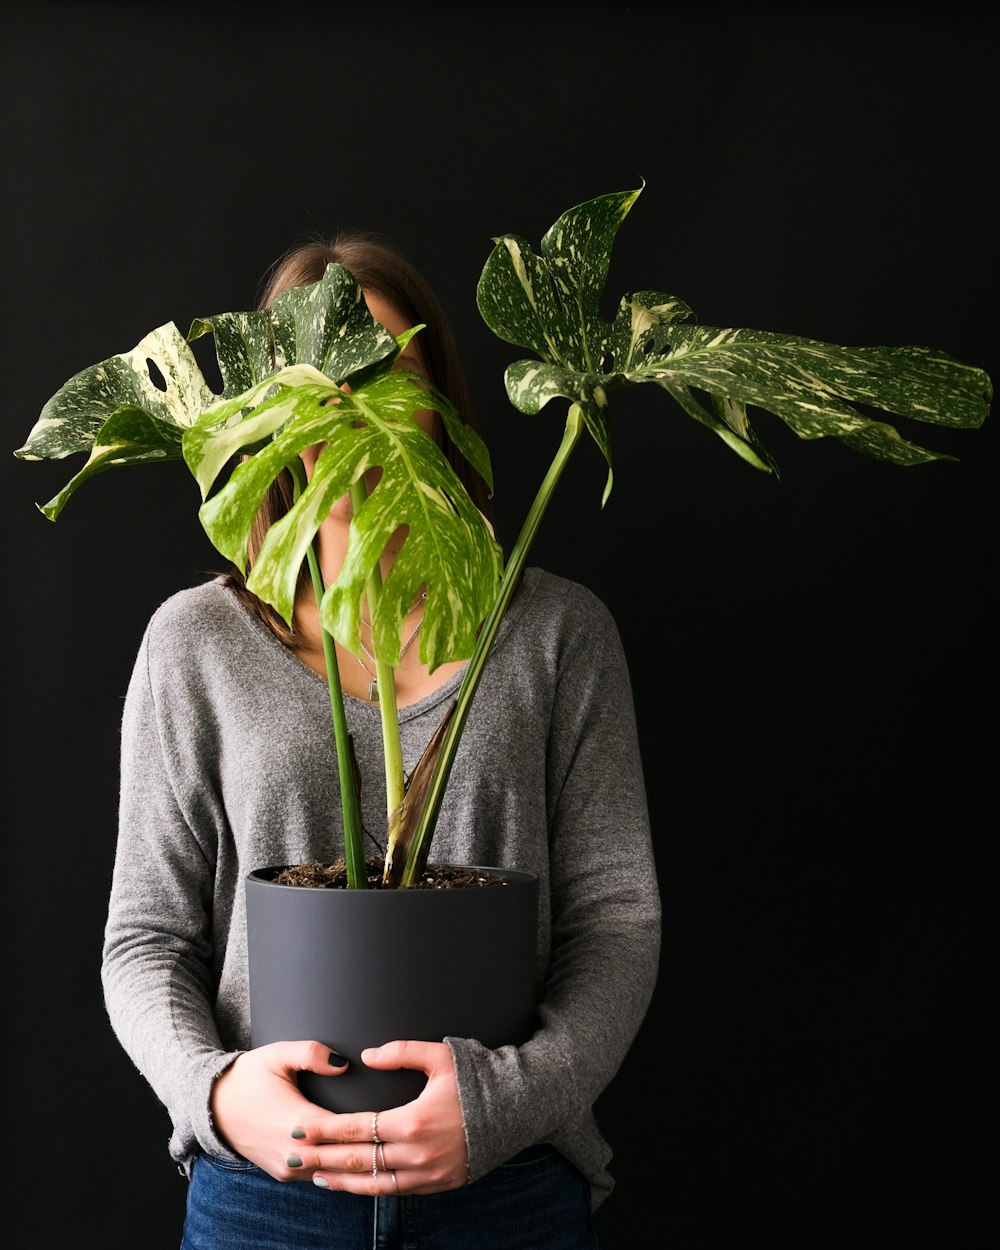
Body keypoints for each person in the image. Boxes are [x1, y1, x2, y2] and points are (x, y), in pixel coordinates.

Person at [101, 228, 662, 1250]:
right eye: (325, 386)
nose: (359, 415)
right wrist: (220, 1094)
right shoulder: (199, 641)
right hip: (267, 1192)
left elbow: (617, 919)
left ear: (439, 392)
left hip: (508, 1186)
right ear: (268, 409)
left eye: (389, 373)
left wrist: (503, 1103)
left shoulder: (553, 630)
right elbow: (146, 938)